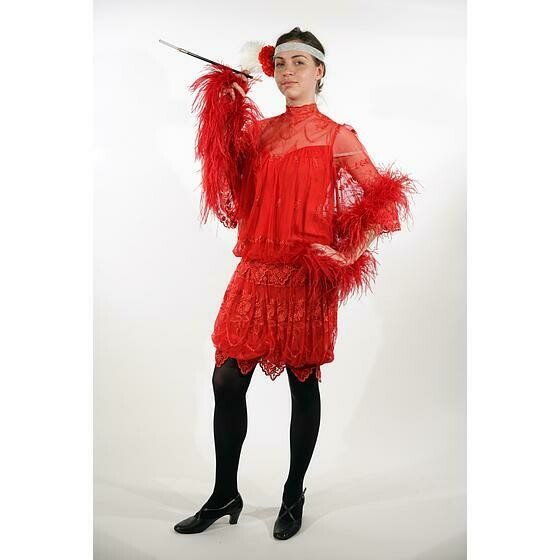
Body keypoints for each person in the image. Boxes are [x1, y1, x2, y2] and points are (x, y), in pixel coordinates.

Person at [173, 27, 417, 540]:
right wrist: (225, 106)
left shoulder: (336, 136)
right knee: (226, 380)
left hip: (306, 278)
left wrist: (346, 253)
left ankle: (293, 493)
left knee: (302, 385)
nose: (288, 72)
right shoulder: (261, 133)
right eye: (280, 63)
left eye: (299, 63)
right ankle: (224, 492)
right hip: (256, 270)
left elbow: (384, 202)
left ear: (319, 71)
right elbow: (226, 183)